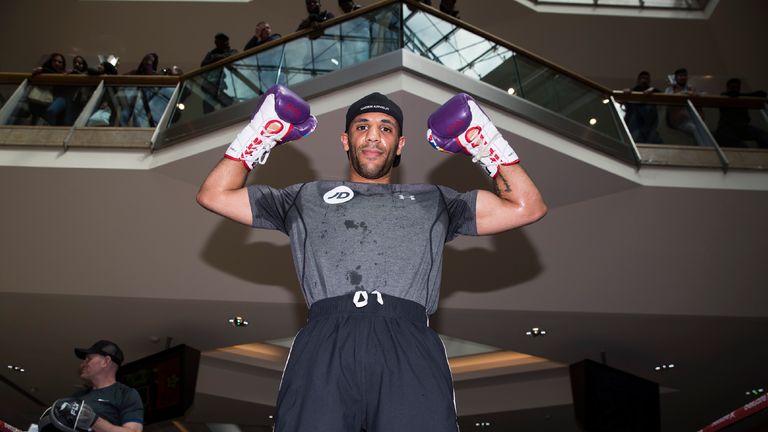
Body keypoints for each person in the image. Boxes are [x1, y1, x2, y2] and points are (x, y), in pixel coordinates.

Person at [197, 85, 546, 431]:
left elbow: (527, 207)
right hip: (325, 340)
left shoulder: (435, 199)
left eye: (386, 128)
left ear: (400, 145)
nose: (373, 137)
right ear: (346, 140)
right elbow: (214, 195)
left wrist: (486, 144)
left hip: (408, 341)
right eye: (362, 127)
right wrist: (261, 134)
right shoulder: (305, 195)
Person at [38, 340, 144, 432]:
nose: (82, 364)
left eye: (88, 359)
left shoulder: (126, 394)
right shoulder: (77, 397)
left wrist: (94, 421)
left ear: (106, 361)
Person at [714, 78, 768, 149]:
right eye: (732, 87)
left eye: (737, 87)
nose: (735, 89)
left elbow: (762, 94)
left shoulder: (742, 98)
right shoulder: (725, 96)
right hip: (727, 128)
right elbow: (732, 94)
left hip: (742, 127)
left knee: (762, 134)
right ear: (728, 88)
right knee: (741, 147)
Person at [664, 67, 707, 145]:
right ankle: (705, 149)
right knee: (693, 128)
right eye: (680, 76)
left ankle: (708, 149)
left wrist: (693, 93)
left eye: (684, 75)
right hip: (679, 121)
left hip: (693, 119)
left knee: (703, 129)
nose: (682, 78)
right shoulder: (670, 89)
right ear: (676, 78)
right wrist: (683, 93)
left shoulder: (691, 88)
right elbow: (668, 97)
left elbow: (702, 95)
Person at [200, 33, 238, 113]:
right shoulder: (211, 54)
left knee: (228, 109)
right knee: (208, 108)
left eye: (222, 41)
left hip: (225, 86)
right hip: (211, 84)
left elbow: (234, 57)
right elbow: (203, 65)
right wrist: (216, 58)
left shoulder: (232, 51)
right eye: (217, 41)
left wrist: (218, 58)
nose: (218, 43)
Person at [624, 71, 662, 144]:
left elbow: (663, 96)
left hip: (649, 123)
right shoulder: (633, 91)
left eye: (646, 78)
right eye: (642, 78)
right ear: (638, 80)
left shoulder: (653, 91)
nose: (644, 80)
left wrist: (653, 90)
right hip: (635, 124)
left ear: (649, 81)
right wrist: (626, 93)